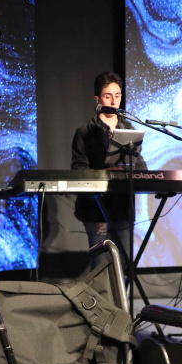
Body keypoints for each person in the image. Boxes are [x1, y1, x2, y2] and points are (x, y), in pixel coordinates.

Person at [71, 71, 147, 266]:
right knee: (101, 265)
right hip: (95, 208)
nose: (114, 101)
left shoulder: (129, 130)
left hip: (122, 206)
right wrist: (105, 173)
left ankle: (122, 289)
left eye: (117, 95)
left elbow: (141, 166)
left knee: (125, 264)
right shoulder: (85, 132)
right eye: (108, 96)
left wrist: (130, 170)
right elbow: (78, 170)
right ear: (97, 98)